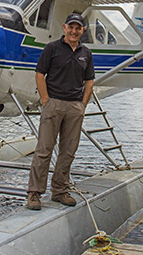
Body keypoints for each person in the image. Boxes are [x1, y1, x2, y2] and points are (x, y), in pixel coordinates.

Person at [26, 13, 95, 210]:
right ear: (64, 27)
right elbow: (40, 74)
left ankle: (60, 190)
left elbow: (89, 80)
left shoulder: (86, 53)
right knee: (44, 149)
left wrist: (83, 104)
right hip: (53, 104)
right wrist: (46, 100)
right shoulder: (52, 48)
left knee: (68, 151)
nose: (74, 31)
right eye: (71, 27)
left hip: (75, 107)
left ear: (83, 30)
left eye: (78, 28)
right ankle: (34, 193)